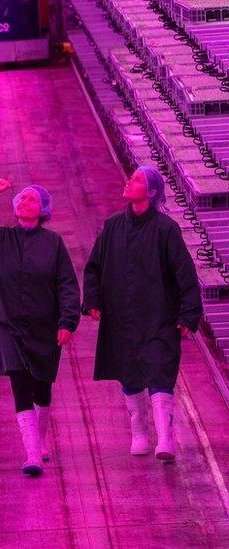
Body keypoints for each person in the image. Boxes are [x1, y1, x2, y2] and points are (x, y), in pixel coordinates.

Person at [0, 178, 81, 476]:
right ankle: (31, 454)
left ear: (43, 210)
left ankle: (39, 442)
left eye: (32, 200)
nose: (25, 202)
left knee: (42, 387)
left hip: (44, 325)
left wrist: (67, 321)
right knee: (19, 380)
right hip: (8, 324)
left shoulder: (53, 244)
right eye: (22, 199)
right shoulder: (1, 240)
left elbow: (67, 284)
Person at [82, 165, 202, 462]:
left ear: (151, 192)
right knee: (129, 371)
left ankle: (165, 438)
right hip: (122, 317)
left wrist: (188, 315)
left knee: (160, 371)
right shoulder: (112, 227)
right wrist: (93, 299)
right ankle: (140, 431)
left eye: (137, 180)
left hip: (159, 316)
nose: (129, 182)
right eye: (131, 177)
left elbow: (185, 274)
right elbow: (94, 268)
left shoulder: (166, 229)